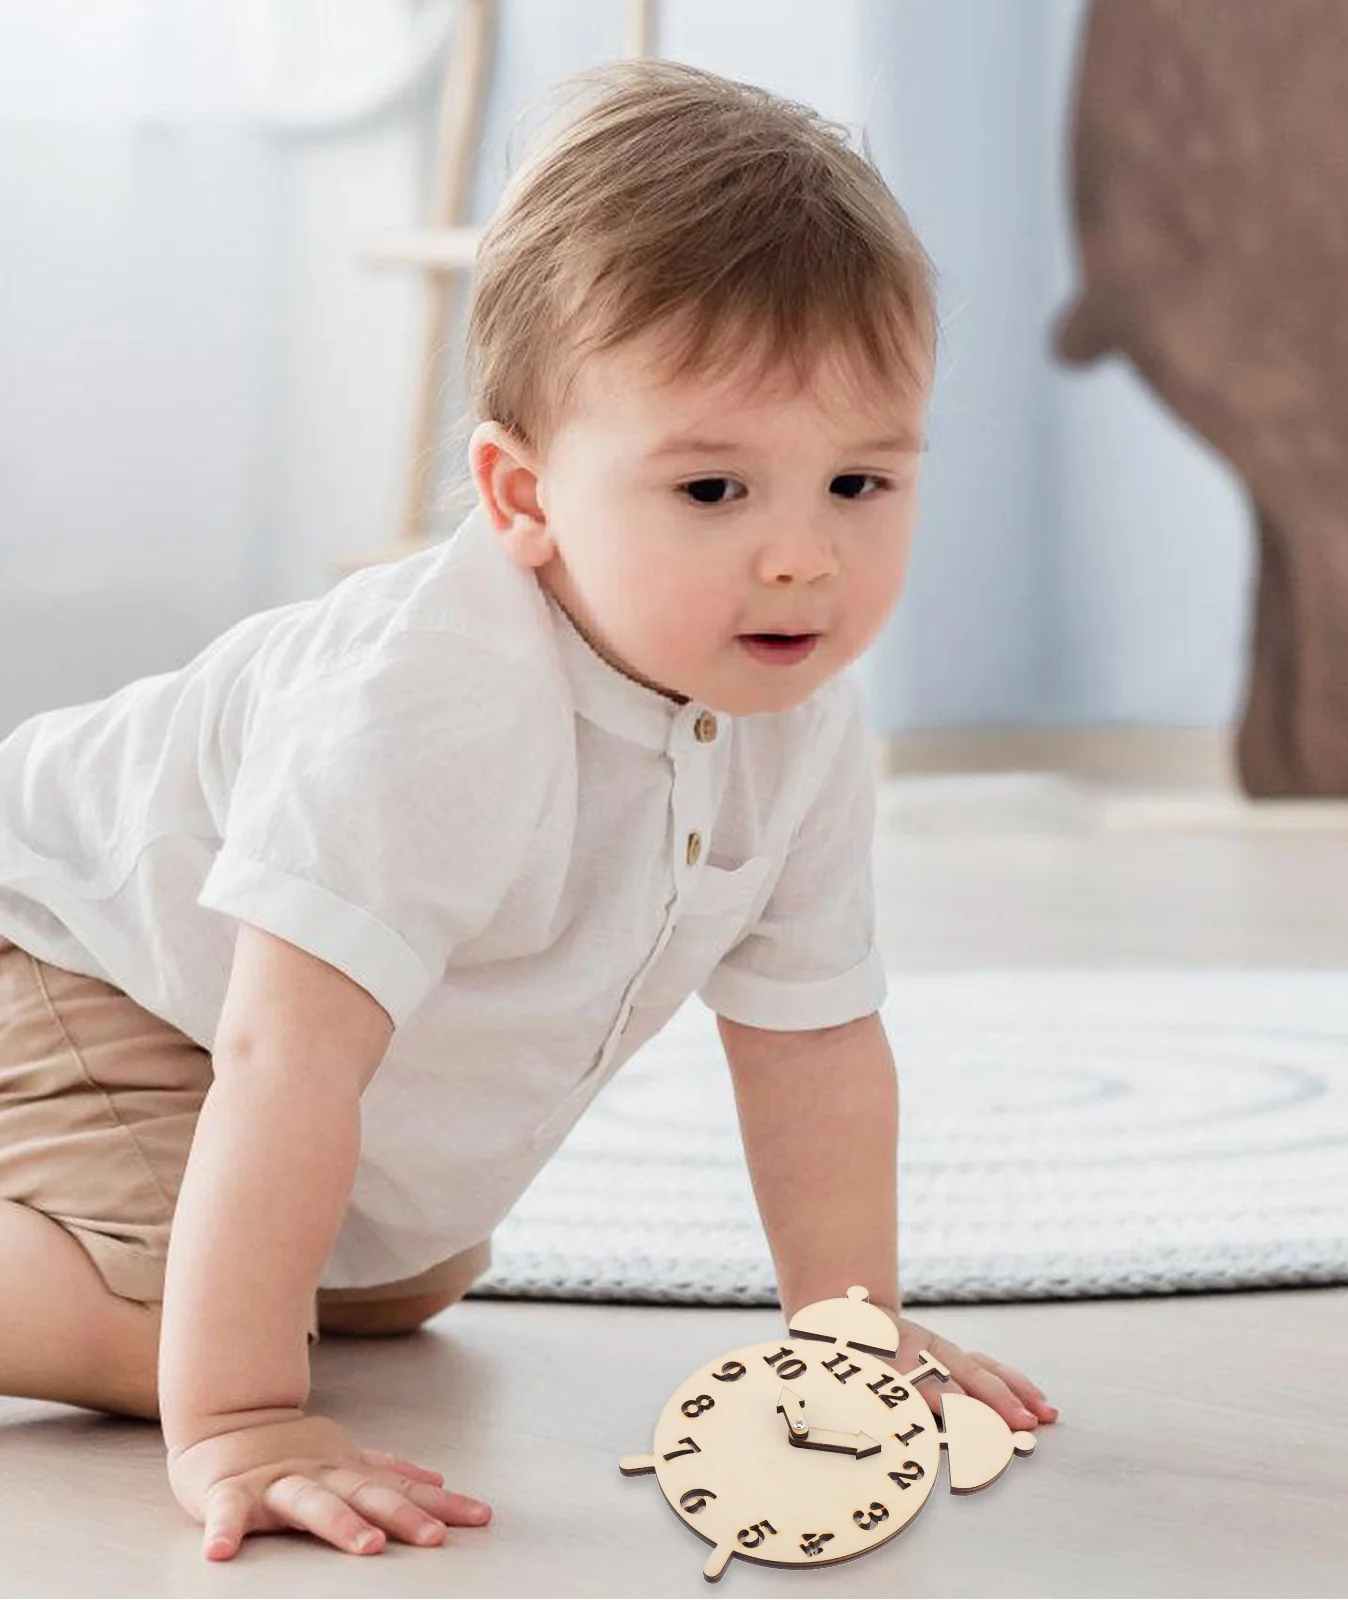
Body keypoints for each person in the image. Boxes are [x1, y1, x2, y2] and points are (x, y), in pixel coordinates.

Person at [0, 60, 1057, 1562]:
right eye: (713, 491)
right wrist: (240, 1415)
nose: (803, 558)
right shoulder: (433, 703)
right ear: (523, 495)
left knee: (407, 1272)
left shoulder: (800, 718)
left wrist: (849, 1334)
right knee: (179, 1332)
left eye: (859, 483)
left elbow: (814, 1045)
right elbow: (281, 1045)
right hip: (75, 963)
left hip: (234, 1036)